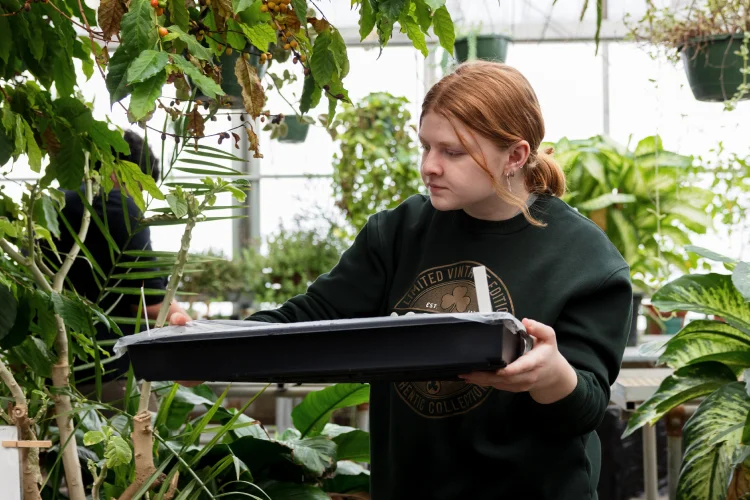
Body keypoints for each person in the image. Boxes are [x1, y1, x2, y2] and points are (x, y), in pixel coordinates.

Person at [171, 61, 632, 499]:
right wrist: (205, 341)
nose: (429, 165)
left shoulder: (586, 260)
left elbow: (588, 408)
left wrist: (552, 376)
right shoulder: (399, 232)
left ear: (515, 155)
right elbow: (310, 318)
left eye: (452, 151)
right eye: (426, 146)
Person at [45, 130, 189, 399]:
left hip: (43, 368)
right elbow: (150, 304)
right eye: (139, 189)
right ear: (122, 172)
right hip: (105, 377)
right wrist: (197, 330)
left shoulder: (49, 205)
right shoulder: (116, 206)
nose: (136, 200)